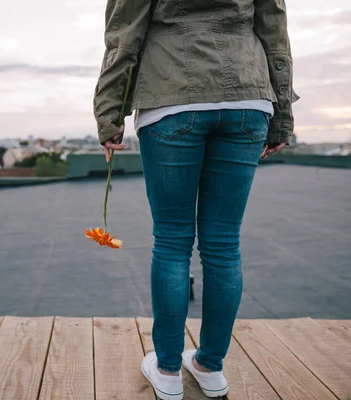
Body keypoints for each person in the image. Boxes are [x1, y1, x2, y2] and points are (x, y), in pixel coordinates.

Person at [93, 0, 298, 399]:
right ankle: (209, 366)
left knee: (172, 241)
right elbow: (275, 35)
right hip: (247, 100)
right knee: (223, 244)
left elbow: (124, 37)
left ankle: (168, 370)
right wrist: (282, 115)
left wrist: (108, 113)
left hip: (171, 98)